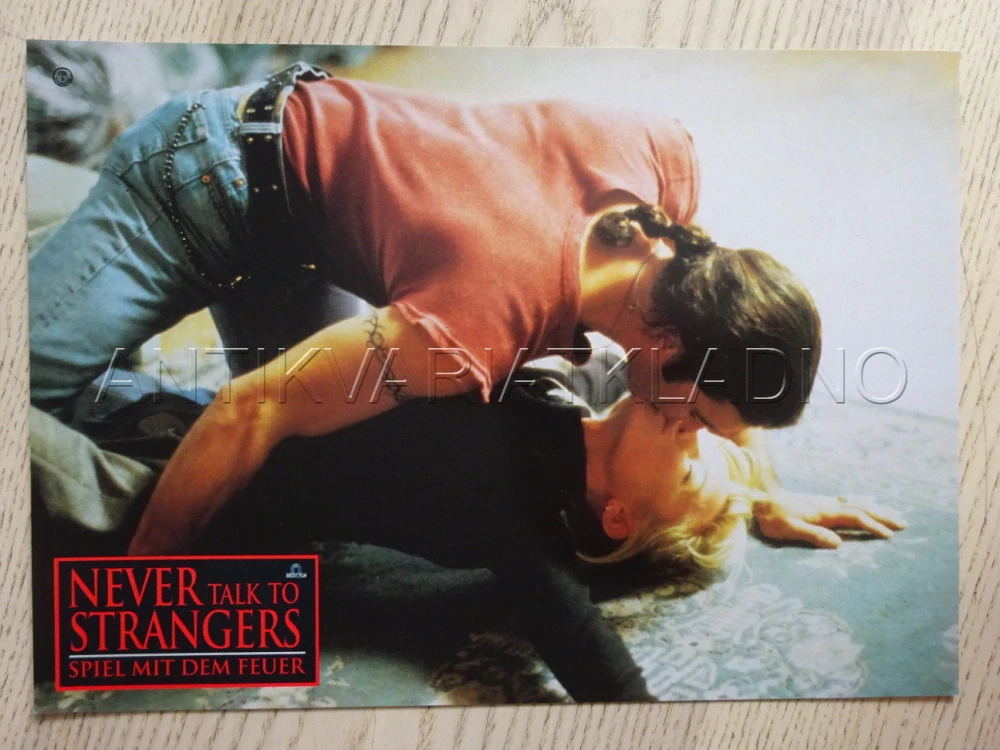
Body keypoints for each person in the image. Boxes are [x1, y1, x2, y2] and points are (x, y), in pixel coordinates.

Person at [27, 62, 823, 556]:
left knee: (307, 461)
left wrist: (759, 491)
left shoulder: (663, 167)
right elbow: (250, 406)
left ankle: (89, 306)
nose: (691, 433)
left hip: (295, 244)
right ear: (667, 343)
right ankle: (60, 214)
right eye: (701, 419)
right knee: (54, 413)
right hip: (197, 177)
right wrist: (148, 581)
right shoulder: (480, 321)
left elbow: (723, 354)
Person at [30, 377, 902, 702]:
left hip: (167, 513)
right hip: (206, 424)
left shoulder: (531, 535)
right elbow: (718, 371)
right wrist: (766, 497)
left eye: (690, 461)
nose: (692, 429)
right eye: (701, 433)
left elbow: (598, 665)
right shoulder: (584, 399)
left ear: (618, 519)